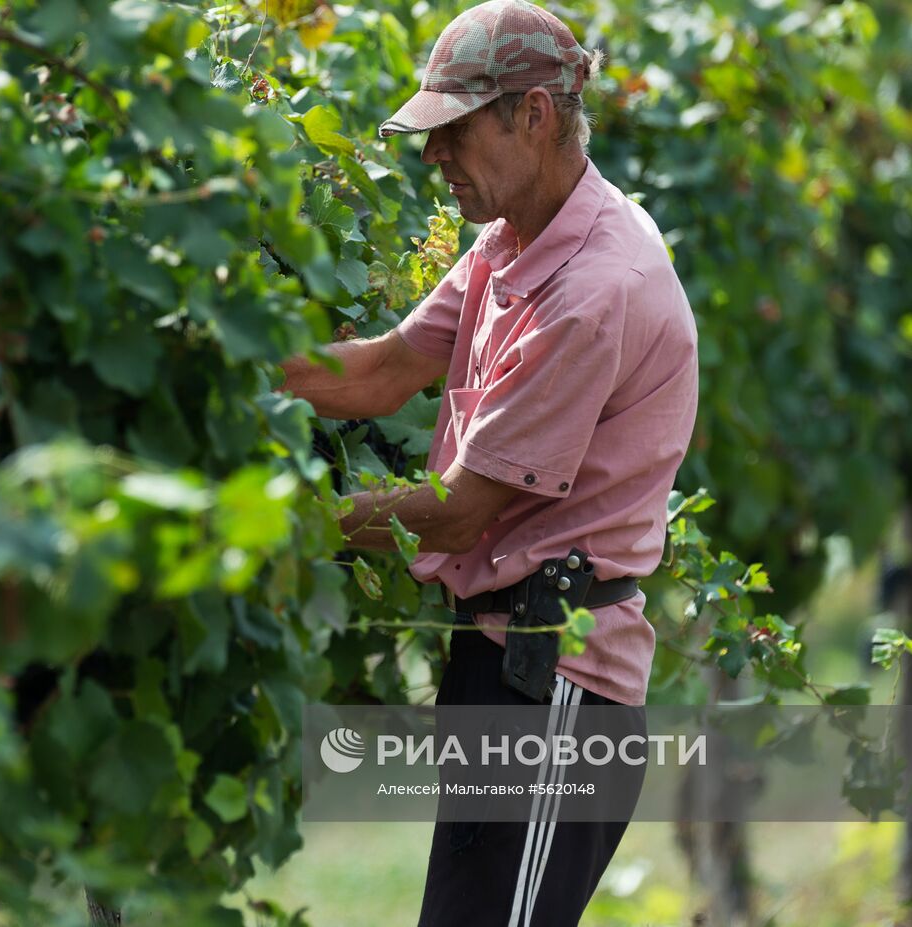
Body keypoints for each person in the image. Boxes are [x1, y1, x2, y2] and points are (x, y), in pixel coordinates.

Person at [279, 1, 699, 923]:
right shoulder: (513, 238)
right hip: (503, 667)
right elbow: (387, 370)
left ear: (535, 116)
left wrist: (286, 524)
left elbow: (463, 511)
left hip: (557, 693)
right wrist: (236, 366)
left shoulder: (593, 291)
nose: (433, 158)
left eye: (454, 132)